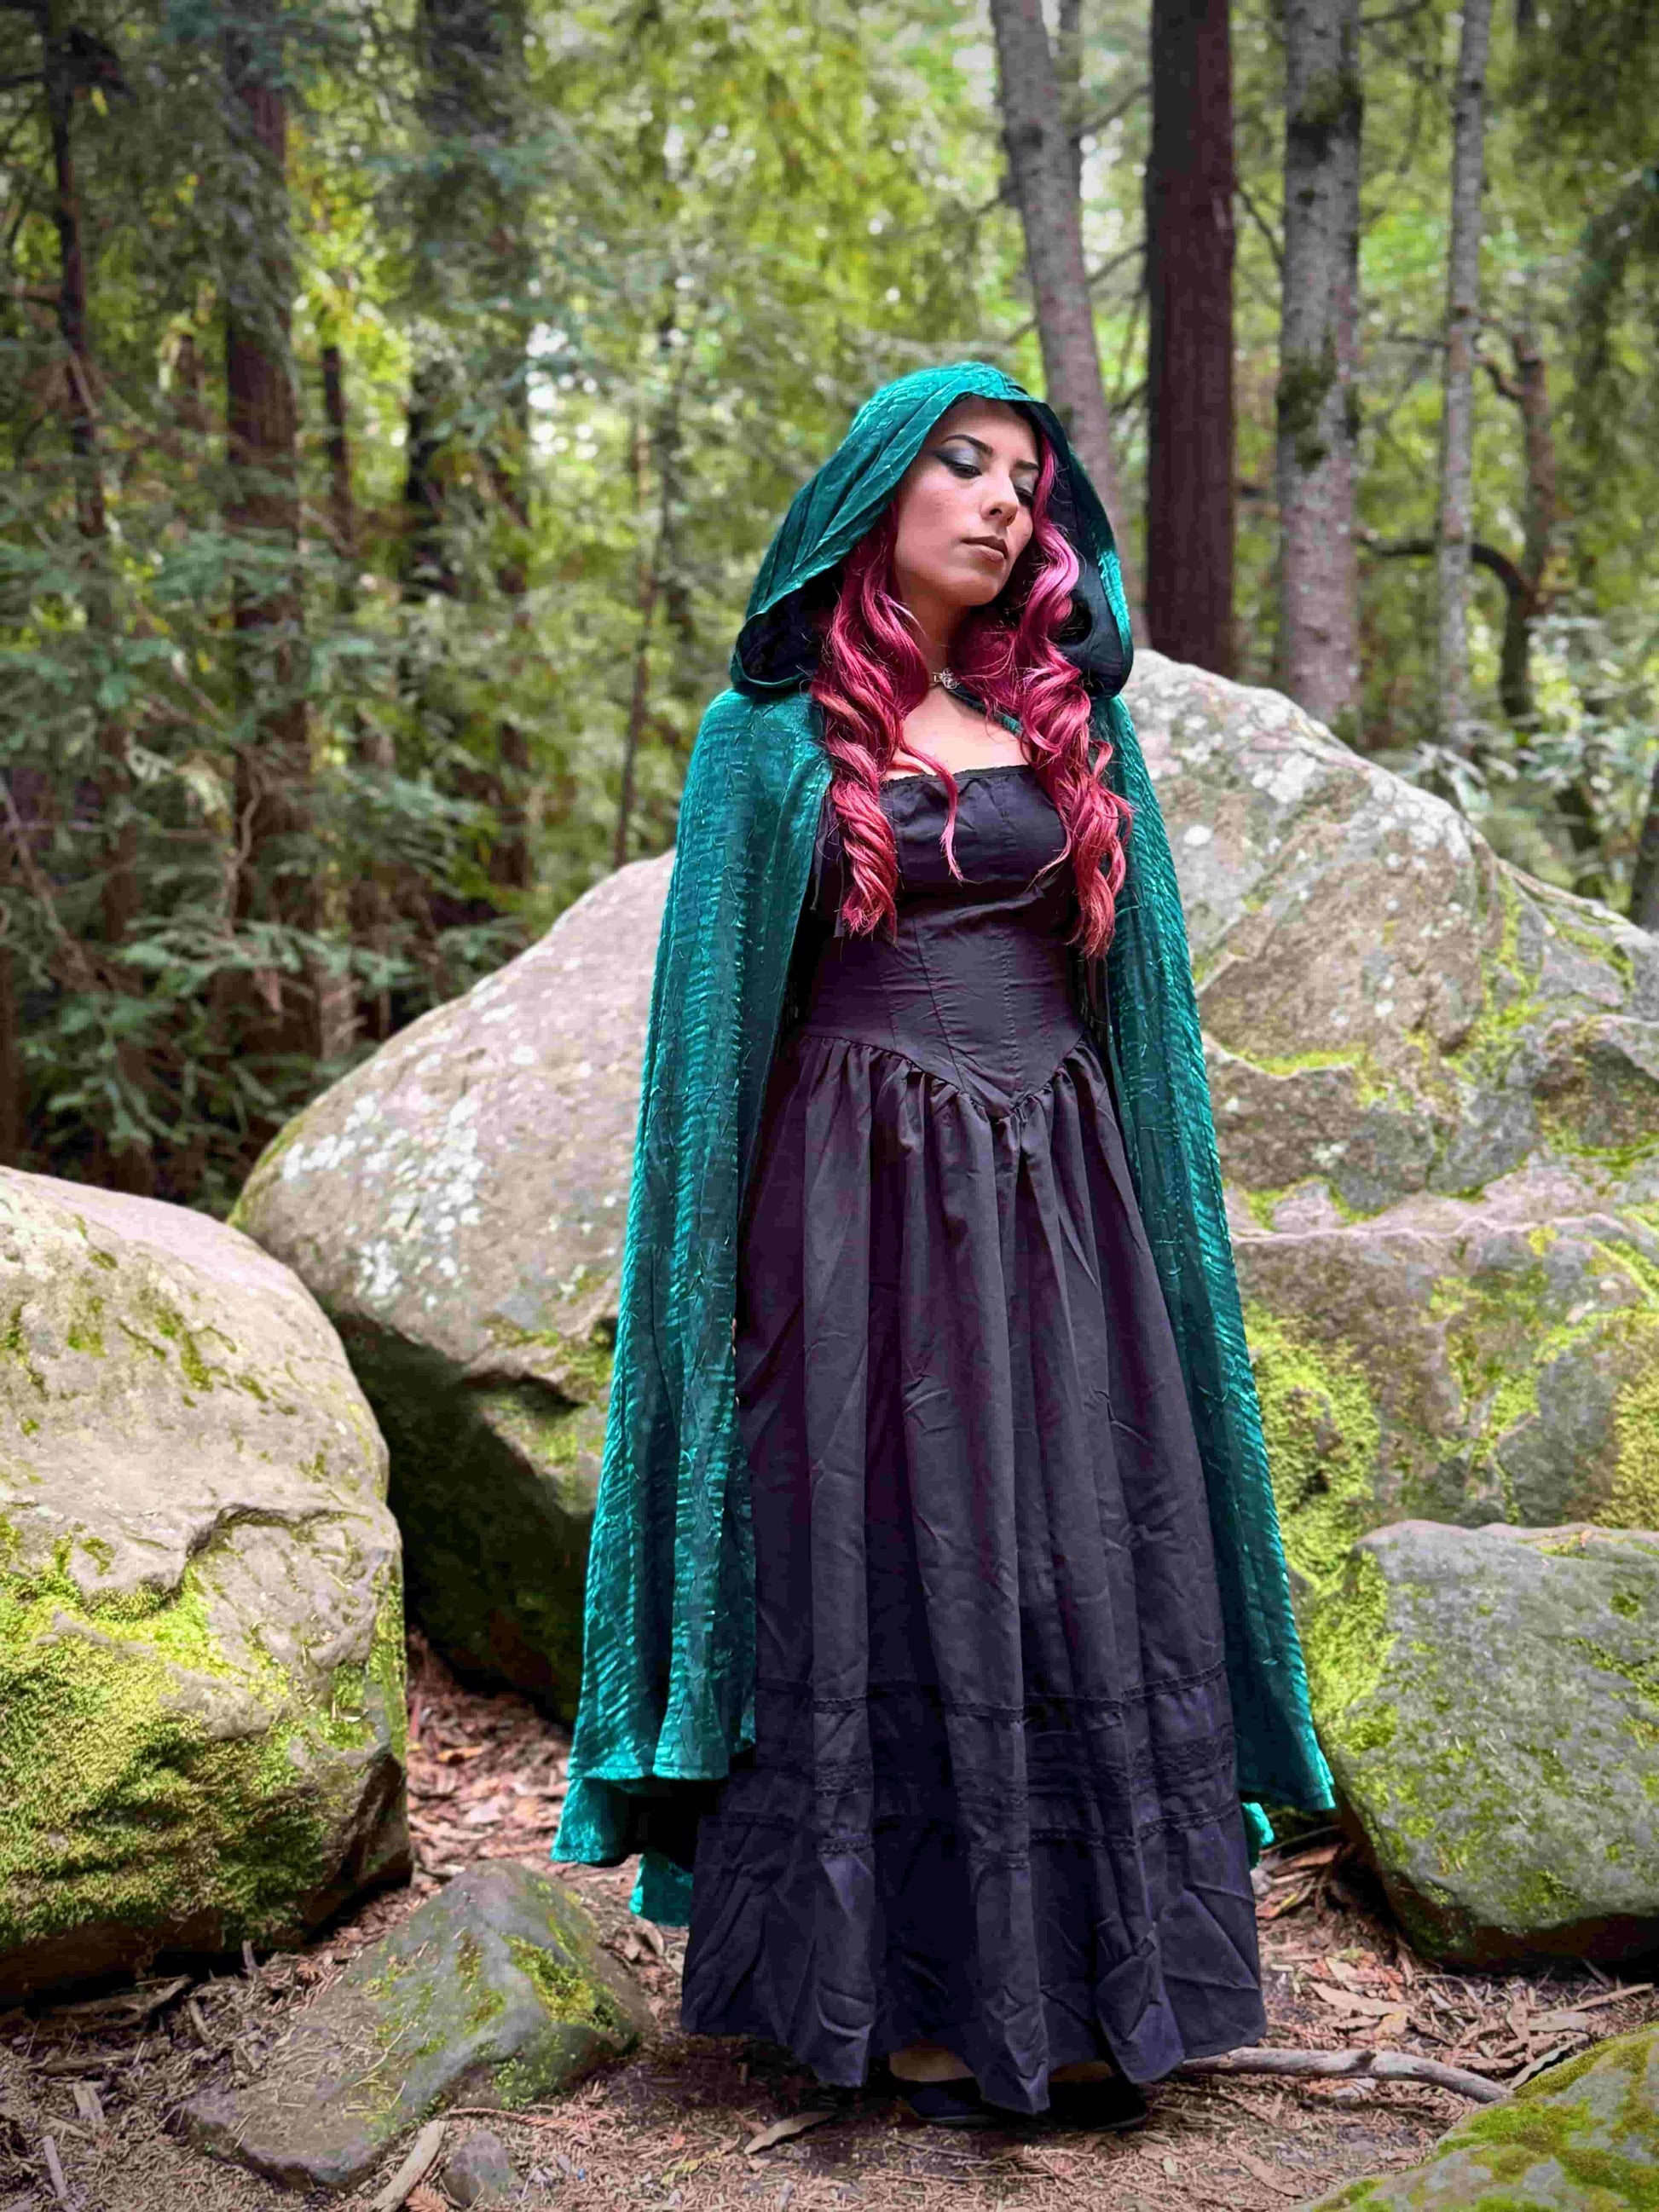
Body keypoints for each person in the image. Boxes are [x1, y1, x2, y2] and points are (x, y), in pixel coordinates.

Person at [552, 362, 1333, 2131]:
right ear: (873, 494)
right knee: (876, 1541)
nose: (1002, 504)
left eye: (1027, 485)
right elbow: (705, 1054)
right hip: (849, 1198)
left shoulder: (1077, 723)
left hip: (1059, 1186)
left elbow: (1137, 1015)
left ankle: (1084, 1974)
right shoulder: (765, 737)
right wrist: (710, 1294)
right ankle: (882, 1984)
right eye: (963, 468)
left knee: (1073, 1534)